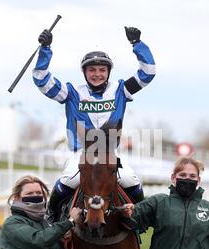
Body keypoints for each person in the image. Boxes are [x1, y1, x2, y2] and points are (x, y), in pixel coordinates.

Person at [32, 26, 156, 221]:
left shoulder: (121, 89)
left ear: (108, 72)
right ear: (84, 72)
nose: (97, 74)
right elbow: (41, 80)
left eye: (102, 70)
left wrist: (137, 44)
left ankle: (141, 218)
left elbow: (148, 72)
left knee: (131, 179)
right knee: (67, 180)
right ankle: (51, 216)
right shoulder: (70, 92)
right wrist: (45, 49)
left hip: (110, 154)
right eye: (92, 70)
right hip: (80, 154)